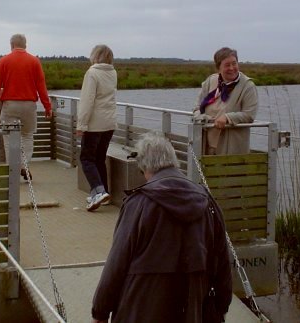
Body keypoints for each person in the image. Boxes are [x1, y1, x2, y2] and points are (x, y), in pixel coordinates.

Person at [91, 131, 232, 323]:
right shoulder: (207, 201)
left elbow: (117, 263)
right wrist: (220, 306)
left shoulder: (139, 203)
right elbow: (222, 259)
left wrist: (100, 312)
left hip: (140, 307)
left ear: (145, 166)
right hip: (190, 309)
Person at [0, 34, 52, 181]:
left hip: (10, 105)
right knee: (27, 136)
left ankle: (12, 170)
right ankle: (24, 165)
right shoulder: (34, 61)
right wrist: (47, 107)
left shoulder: (4, 61)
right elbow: (41, 87)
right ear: (25, 45)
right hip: (29, 105)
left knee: (9, 138)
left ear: (11, 45)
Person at [193, 47, 258, 155]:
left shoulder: (248, 86)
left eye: (234, 63)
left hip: (232, 148)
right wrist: (202, 118)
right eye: (227, 65)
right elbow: (197, 108)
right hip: (205, 144)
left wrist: (228, 117)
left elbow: (249, 115)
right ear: (218, 68)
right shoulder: (210, 81)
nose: (232, 68)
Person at [76, 44, 117, 211]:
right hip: (109, 123)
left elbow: (87, 101)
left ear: (95, 56)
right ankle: (103, 192)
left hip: (94, 124)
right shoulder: (113, 72)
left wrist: (81, 125)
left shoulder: (92, 73)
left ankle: (99, 192)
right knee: (100, 158)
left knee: (86, 158)